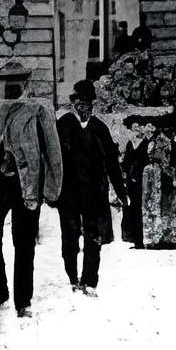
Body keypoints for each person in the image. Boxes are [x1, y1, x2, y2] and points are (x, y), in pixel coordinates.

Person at [0, 58, 63, 318]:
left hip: (27, 185)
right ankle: (1, 296)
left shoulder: (39, 110)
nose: (11, 87)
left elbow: (53, 151)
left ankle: (23, 302)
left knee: (24, 243)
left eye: (16, 82)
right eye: (6, 82)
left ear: (26, 83)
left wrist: (52, 187)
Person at [55, 79, 123, 295]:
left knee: (94, 237)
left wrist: (121, 192)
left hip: (95, 192)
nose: (84, 108)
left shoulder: (99, 128)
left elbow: (112, 161)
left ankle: (90, 281)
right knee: (70, 236)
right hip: (69, 192)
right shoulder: (64, 124)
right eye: (80, 103)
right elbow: (53, 157)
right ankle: (73, 277)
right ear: (73, 104)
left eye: (87, 104)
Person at [140, 123, 176, 249]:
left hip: (164, 193)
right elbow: (146, 190)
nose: (166, 154)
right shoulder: (149, 169)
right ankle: (157, 238)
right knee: (155, 211)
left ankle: (167, 238)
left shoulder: (169, 170)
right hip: (155, 192)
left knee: (165, 210)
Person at [118, 116, 150, 246]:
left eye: (138, 127)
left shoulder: (146, 143)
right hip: (131, 180)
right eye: (134, 127)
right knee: (131, 206)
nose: (137, 129)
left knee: (140, 206)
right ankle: (131, 236)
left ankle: (141, 238)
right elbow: (126, 161)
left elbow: (147, 160)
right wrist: (126, 172)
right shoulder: (130, 143)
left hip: (143, 178)